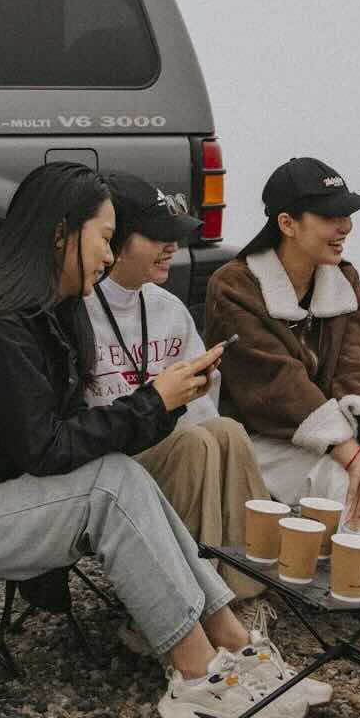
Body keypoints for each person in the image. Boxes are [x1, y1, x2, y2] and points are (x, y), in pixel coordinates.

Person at [0, 162, 310, 718]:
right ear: (60, 233)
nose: (109, 252)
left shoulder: (48, 311)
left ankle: (232, 640)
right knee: (109, 484)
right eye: (104, 236)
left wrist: (158, 404)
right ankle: (196, 678)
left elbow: (59, 436)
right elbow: (45, 449)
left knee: (119, 473)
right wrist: (155, 401)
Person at [204, 157, 360, 682]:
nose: (345, 226)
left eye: (349, 214)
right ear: (287, 223)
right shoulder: (234, 285)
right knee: (348, 473)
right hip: (254, 443)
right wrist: (353, 451)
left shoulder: (344, 282)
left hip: (330, 440)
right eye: (330, 215)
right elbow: (274, 387)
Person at [84, 171, 276, 606]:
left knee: (227, 432)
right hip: (113, 454)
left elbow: (205, 411)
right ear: (115, 242)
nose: (172, 246)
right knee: (195, 443)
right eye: (157, 236)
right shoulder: (81, 306)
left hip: (170, 442)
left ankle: (244, 590)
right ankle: (181, 605)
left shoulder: (167, 308)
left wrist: (194, 386)